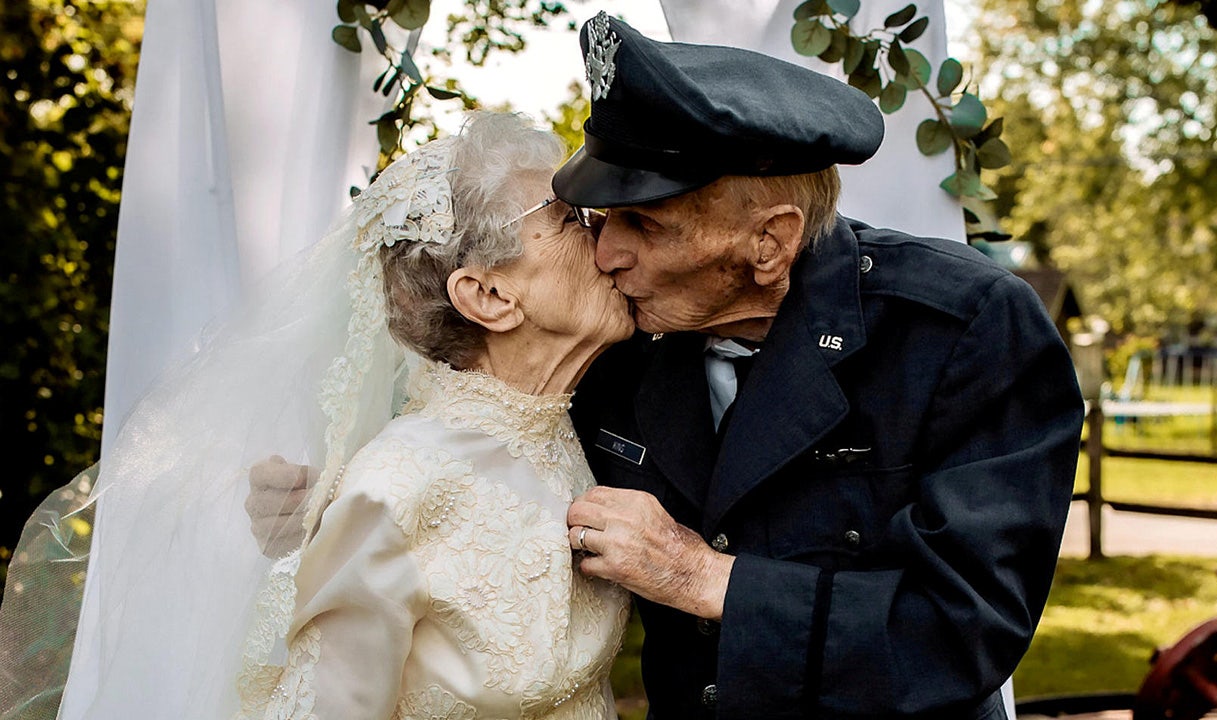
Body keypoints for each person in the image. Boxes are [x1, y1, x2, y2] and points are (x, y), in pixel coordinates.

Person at [0, 112, 632, 720]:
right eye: (570, 217)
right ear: (488, 296)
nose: (605, 226)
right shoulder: (395, 488)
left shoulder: (563, 421)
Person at [553, 14, 1086, 720]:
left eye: (645, 225)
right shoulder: (626, 338)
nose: (606, 254)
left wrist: (699, 577)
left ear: (770, 242)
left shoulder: (965, 328)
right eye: (604, 217)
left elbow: (964, 630)